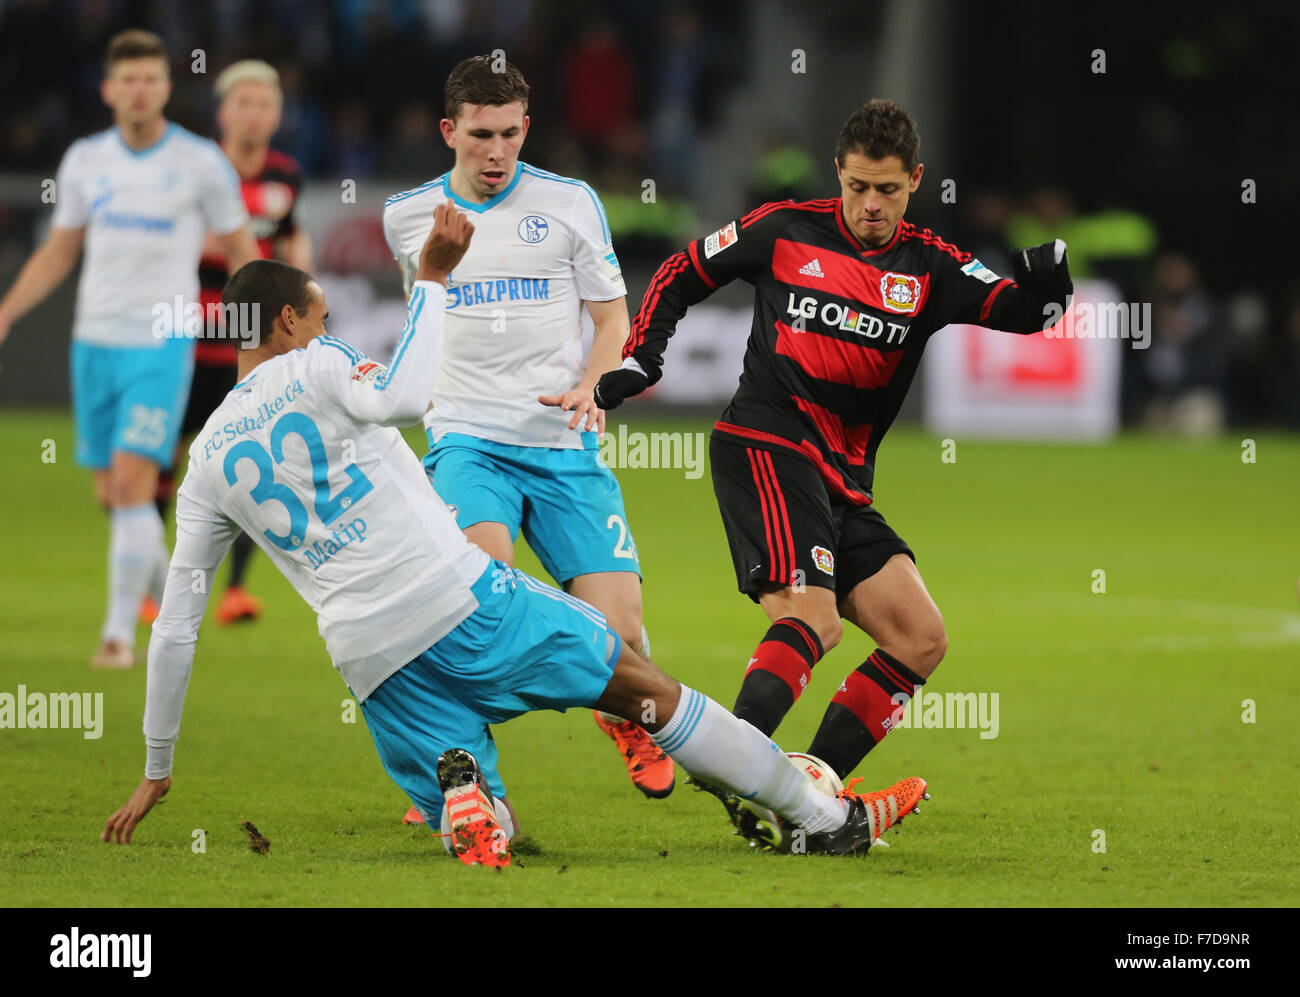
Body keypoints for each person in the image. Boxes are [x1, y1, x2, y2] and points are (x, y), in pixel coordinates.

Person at [99, 204, 927, 867]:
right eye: (319, 316)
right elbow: (399, 395)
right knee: (646, 685)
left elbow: (175, 623)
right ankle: (824, 816)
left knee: (499, 823)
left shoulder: (206, 456)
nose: (328, 328)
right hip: (464, 599)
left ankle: (470, 795)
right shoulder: (316, 367)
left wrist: (158, 765)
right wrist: (430, 279)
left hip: (371, 664)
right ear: (285, 321)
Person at [594, 99, 1071, 845]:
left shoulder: (931, 266)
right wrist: (642, 355)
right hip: (766, 443)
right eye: (856, 187)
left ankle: (804, 791)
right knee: (812, 618)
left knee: (920, 637)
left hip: (842, 479)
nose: (870, 205)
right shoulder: (784, 229)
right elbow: (683, 272)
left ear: (915, 181)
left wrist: (1046, 291)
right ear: (838, 176)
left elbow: (1017, 311)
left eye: (886, 189)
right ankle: (735, 761)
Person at [382, 55, 671, 824]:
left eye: (510, 133)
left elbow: (612, 318)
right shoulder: (407, 216)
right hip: (467, 439)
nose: (496, 151)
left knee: (624, 628)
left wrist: (594, 383)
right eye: (480, 135)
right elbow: (424, 316)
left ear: (526, 129)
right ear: (450, 131)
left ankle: (624, 712)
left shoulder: (571, 202)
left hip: (561, 439)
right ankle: (459, 771)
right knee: (474, 607)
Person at [0, 29, 258, 669]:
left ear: (166, 88)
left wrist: (264, 325)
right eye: (129, 79)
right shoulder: (87, 159)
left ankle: (118, 637)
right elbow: (61, 248)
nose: (140, 90)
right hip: (93, 338)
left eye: (152, 79)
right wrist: (7, 310)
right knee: (112, 496)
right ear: (110, 89)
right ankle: (178, 602)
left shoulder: (201, 162)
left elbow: (241, 249)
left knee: (134, 482)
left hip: (162, 340)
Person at [152, 58, 314, 628]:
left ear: (276, 114)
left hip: (251, 343)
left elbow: (292, 238)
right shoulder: (195, 170)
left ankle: (237, 591)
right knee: (163, 460)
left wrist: (297, 275)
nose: (253, 114)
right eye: (242, 103)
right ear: (223, 112)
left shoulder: (286, 174)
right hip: (189, 337)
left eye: (264, 104)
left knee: (253, 461)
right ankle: (151, 587)